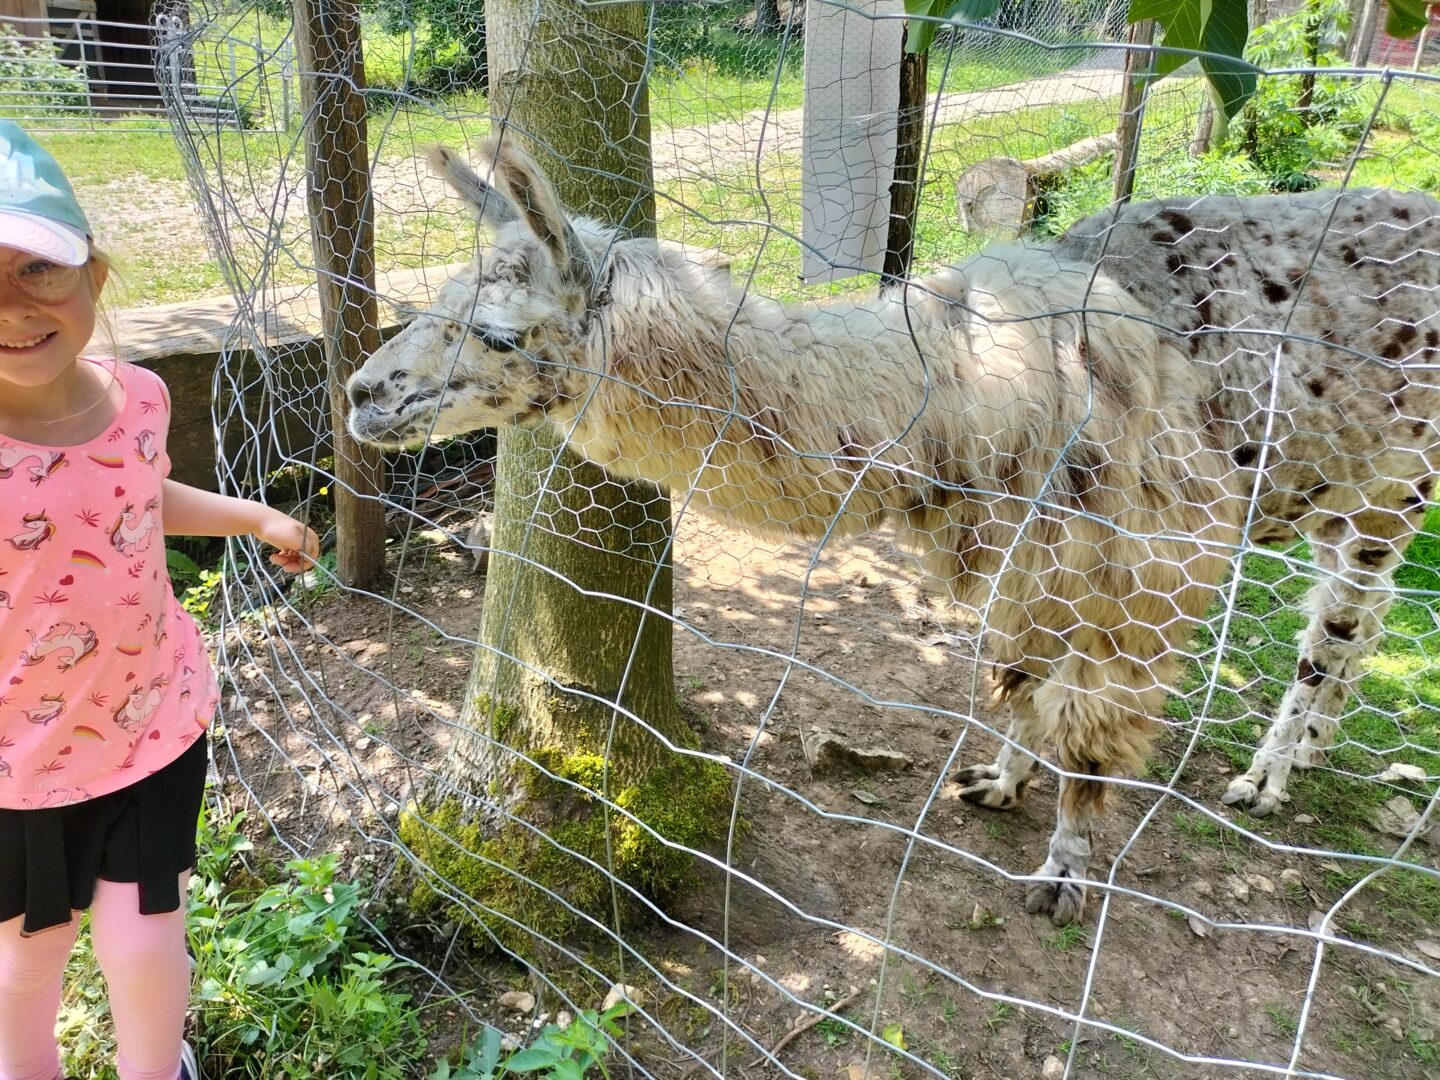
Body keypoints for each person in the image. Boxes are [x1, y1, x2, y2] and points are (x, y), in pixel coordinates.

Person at [0, 121, 319, 1080]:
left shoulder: (138, 396)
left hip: (150, 722)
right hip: (16, 767)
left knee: (145, 946)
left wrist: (252, 517)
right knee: (28, 956)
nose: (13, 306)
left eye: (38, 269)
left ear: (94, 276)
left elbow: (133, 496)